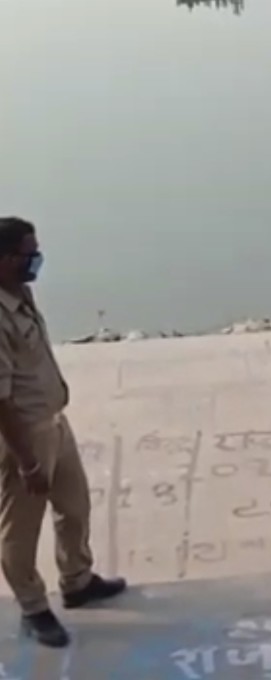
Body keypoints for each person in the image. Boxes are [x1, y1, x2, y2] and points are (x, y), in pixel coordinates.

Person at [0, 217, 127, 648]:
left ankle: (77, 580)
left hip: (54, 420)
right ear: (4, 259)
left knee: (73, 507)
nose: (36, 261)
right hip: (23, 435)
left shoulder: (22, 295)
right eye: (28, 254)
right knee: (20, 532)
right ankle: (34, 607)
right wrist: (27, 459)